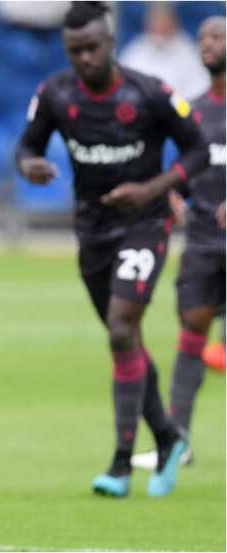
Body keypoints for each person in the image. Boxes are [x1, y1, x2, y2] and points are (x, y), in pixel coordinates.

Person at [15, 2, 209, 498]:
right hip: (93, 232)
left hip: (145, 224)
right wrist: (31, 165)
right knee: (126, 340)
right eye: (74, 51)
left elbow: (197, 150)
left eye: (91, 48)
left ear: (110, 43)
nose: (83, 58)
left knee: (123, 328)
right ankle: (166, 436)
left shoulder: (149, 92)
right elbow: (26, 147)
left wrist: (152, 190)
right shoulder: (55, 94)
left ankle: (121, 463)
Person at [132, 15, 226, 471]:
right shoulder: (192, 111)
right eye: (205, 36)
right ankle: (179, 442)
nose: (208, 44)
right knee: (192, 332)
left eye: (218, 37)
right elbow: (185, 169)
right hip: (205, 243)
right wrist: (173, 194)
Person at [119, 2, 210, 101]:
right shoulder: (135, 50)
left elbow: (200, 89)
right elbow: (123, 86)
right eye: (156, 22)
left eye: (164, 22)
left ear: (174, 22)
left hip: (180, 108)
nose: (160, 26)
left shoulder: (189, 51)